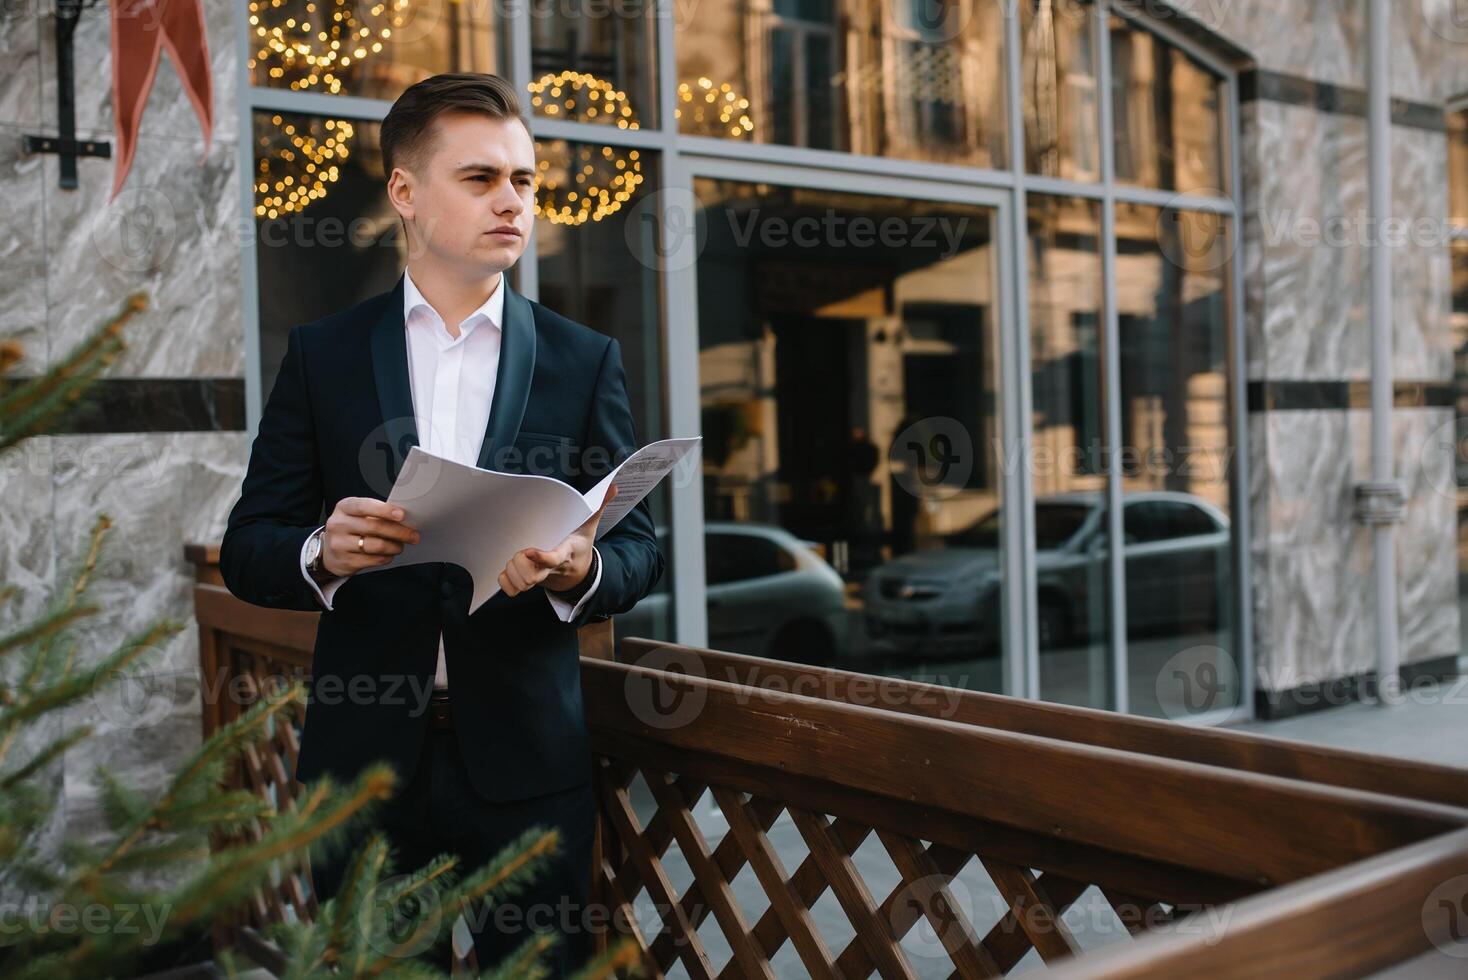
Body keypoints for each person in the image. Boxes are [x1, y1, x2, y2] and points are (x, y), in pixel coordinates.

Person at [218, 71, 663, 975]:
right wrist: (321, 550)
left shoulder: (585, 360)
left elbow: (639, 551)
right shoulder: (324, 355)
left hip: (529, 768)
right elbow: (247, 549)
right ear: (406, 194)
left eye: (524, 182)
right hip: (361, 768)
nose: (513, 201)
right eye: (480, 179)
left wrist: (584, 569)